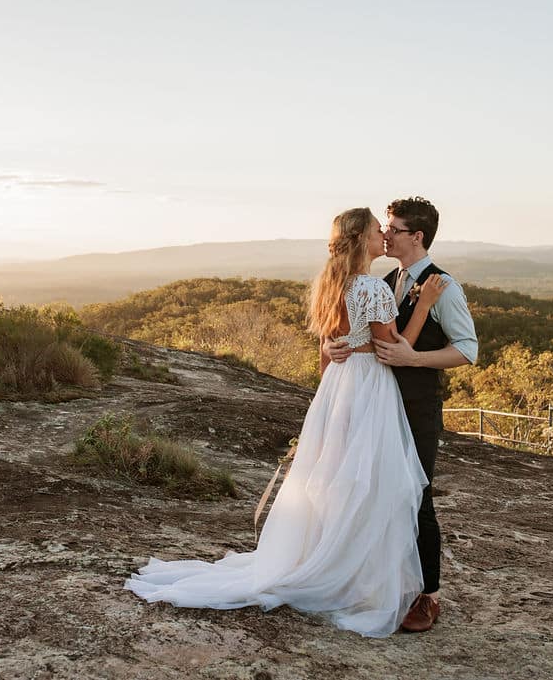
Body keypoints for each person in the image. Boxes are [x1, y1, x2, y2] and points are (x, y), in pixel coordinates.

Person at [125, 207, 448, 638]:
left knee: (337, 478)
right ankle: (354, 574)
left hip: (339, 386)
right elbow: (398, 350)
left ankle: (335, 559)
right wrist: (425, 304)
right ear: (360, 241)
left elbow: (324, 356)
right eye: (377, 231)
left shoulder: (330, 284)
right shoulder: (372, 287)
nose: (383, 237)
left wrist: (337, 353)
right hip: (370, 384)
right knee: (371, 483)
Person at [323, 196, 478, 633]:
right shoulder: (386, 279)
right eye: (383, 228)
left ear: (417, 236)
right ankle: (382, 583)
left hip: (415, 408)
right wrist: (331, 347)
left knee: (417, 496)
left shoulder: (443, 285)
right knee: (373, 493)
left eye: (393, 228)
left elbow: (467, 350)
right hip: (375, 402)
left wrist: (415, 360)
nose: (385, 234)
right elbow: (358, 336)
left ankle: (428, 596)